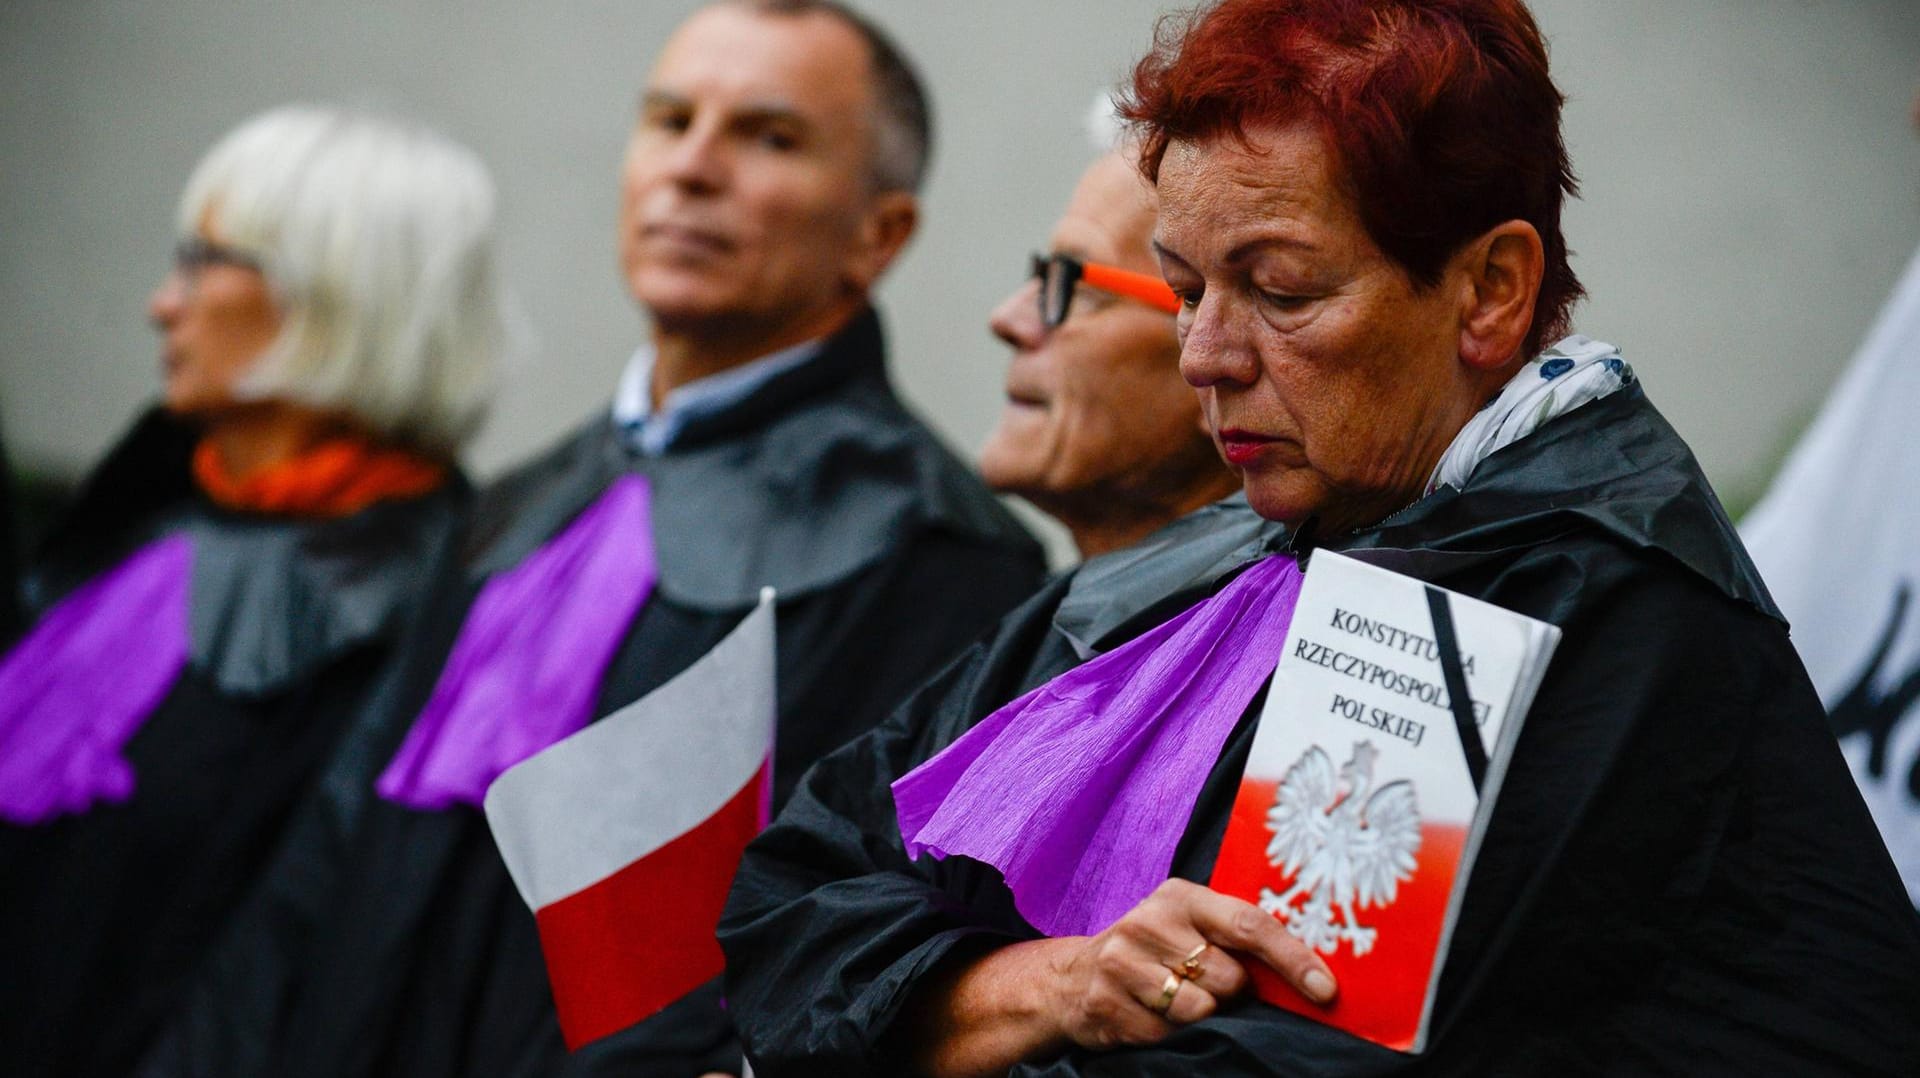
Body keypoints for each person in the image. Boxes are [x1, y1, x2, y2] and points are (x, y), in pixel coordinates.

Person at [718, 1, 1920, 1075]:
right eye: (1186, 288)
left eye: (1281, 290)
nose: (1204, 355)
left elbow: (1248, 1059)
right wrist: (1050, 986)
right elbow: (793, 886)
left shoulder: (1572, 619)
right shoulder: (1212, 555)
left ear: (1492, 290)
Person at [139, 4, 1045, 1078]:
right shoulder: (508, 507)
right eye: (668, 120)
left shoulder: (936, 551)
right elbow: (314, 879)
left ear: (878, 232)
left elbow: (822, 967)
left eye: (769, 137)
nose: (692, 169)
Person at [0, 104, 505, 1078]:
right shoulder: (138, 523)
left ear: (339, 294)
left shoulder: (430, 613)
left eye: (203, 259)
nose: (162, 303)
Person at [979, 144, 1240, 560]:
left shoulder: (1281, 620)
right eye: (1046, 274)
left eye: (1079, 288)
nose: (1007, 319)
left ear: (1215, 355)